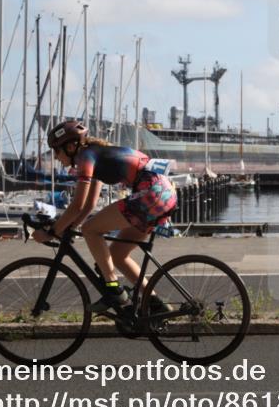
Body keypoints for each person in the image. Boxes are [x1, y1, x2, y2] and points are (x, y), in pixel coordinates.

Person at [34, 120, 176, 313]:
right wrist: (70, 227)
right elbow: (89, 204)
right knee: (117, 255)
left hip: (152, 192)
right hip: (162, 192)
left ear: (70, 147)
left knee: (90, 229)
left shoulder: (86, 157)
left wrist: (52, 231)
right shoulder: (96, 155)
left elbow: (77, 205)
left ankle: (114, 291)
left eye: (56, 151)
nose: (56, 157)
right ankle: (156, 305)